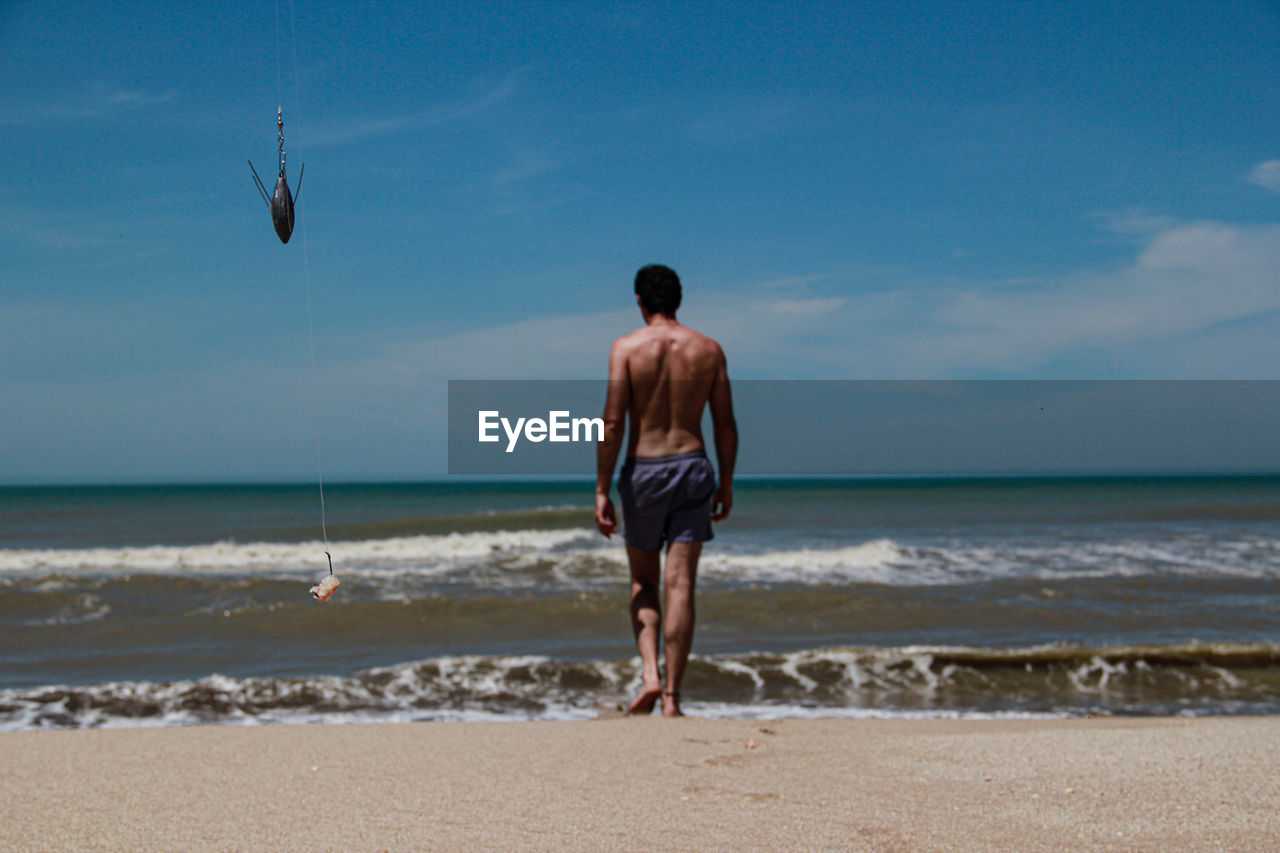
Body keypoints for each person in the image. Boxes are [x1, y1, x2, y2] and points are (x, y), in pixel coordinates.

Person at [595, 264, 737, 717]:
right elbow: (725, 424)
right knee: (681, 584)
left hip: (646, 470)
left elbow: (613, 422)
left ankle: (650, 677)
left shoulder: (626, 348)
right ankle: (673, 699)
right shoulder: (709, 350)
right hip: (694, 465)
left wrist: (601, 487)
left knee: (644, 581)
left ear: (640, 302)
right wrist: (727, 481)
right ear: (679, 301)